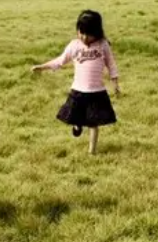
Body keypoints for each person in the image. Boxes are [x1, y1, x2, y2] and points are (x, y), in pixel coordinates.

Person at [31, 9, 120, 155]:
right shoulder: (74, 45)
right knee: (74, 116)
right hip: (78, 91)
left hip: (97, 92)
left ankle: (92, 152)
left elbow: (112, 65)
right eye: (81, 32)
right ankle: (78, 124)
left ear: (97, 32)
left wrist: (115, 84)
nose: (84, 37)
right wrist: (42, 67)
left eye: (89, 34)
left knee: (93, 123)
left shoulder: (103, 45)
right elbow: (60, 61)